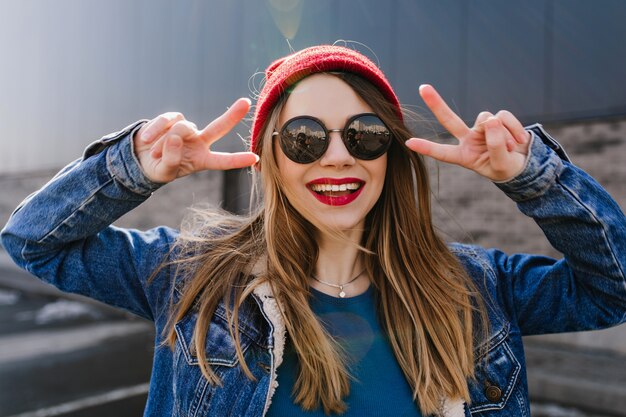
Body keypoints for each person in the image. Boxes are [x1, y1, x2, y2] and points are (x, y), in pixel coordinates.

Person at [1, 45, 625, 417]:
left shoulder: (478, 287)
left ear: (391, 153)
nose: (336, 158)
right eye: (304, 138)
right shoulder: (194, 276)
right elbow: (33, 240)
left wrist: (534, 177)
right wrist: (129, 168)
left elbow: (614, 286)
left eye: (363, 135)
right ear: (272, 157)